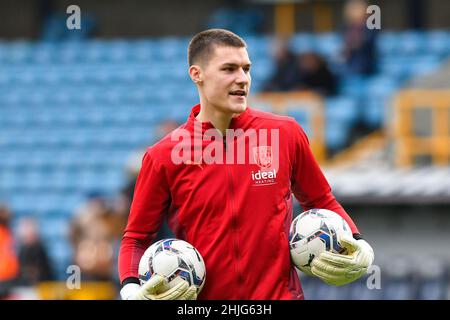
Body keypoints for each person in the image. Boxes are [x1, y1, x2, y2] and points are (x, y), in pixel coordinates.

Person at [118, 29, 374, 300]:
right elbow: (136, 237)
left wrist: (357, 242)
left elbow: (321, 199)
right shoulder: (164, 155)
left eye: (246, 69)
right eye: (229, 69)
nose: (242, 79)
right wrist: (131, 287)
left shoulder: (285, 134)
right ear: (197, 74)